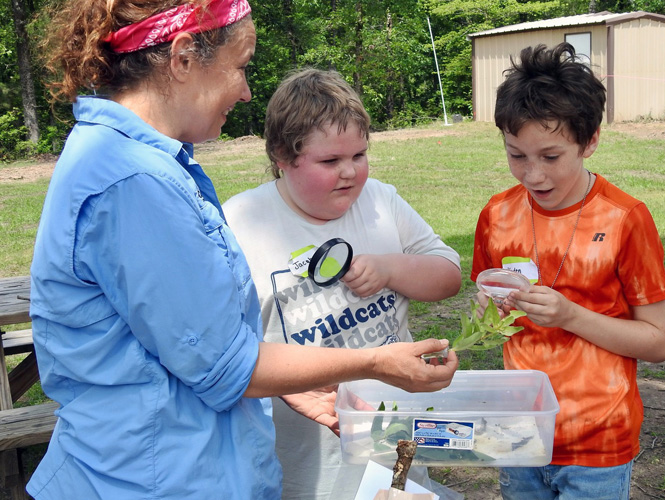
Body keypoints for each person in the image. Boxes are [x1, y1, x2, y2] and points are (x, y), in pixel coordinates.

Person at [28, 2, 459, 499]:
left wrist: (289, 378)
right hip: (147, 480)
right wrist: (374, 363)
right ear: (183, 57)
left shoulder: (132, 162)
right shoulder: (132, 181)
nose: (246, 89)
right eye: (241, 65)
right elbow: (225, 366)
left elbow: (197, 340)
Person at [222, 68, 463, 499]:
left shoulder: (381, 203)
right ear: (282, 154)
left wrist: (391, 269)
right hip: (304, 460)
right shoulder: (239, 224)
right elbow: (221, 349)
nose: (350, 172)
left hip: (396, 439)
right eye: (330, 161)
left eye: (360, 155)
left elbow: (448, 276)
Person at [471, 43, 665, 500]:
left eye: (550, 156)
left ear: (590, 141)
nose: (532, 175)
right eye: (516, 155)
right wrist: (487, 311)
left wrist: (569, 316)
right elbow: (489, 316)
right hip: (520, 433)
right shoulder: (497, 215)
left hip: (597, 442)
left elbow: (660, 343)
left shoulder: (624, 219)